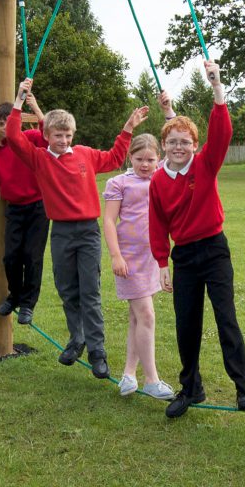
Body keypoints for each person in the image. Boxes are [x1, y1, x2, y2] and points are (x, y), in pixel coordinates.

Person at [6, 78, 149, 380]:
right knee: (68, 290)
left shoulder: (84, 154)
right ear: (46, 135)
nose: (64, 140)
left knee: (90, 292)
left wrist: (127, 128)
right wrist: (19, 100)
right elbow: (13, 136)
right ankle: (77, 339)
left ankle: (98, 351)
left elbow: (112, 158)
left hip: (87, 232)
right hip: (60, 232)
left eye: (68, 134)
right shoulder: (40, 159)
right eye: (58, 135)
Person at [149, 60, 245, 418]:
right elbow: (157, 223)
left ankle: (244, 388)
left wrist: (217, 89)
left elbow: (222, 132)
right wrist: (162, 263)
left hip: (214, 250)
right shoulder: (157, 182)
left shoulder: (204, 165)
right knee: (186, 323)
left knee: (226, 317)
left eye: (186, 142)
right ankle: (191, 388)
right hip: (185, 257)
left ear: (195, 146)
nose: (179, 147)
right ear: (164, 144)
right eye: (173, 141)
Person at [101, 92, 178, 400]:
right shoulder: (119, 183)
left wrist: (168, 110)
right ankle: (152, 379)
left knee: (137, 317)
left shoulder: (162, 177)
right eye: (139, 159)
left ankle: (129, 375)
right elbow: (109, 221)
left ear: (158, 159)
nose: (146, 165)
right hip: (128, 259)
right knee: (146, 315)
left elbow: (179, 141)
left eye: (151, 159)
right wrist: (116, 256)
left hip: (152, 258)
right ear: (130, 158)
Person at [0, 95, 49, 326]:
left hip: (38, 207)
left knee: (32, 256)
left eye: (8, 122)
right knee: (11, 257)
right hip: (15, 209)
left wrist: (35, 107)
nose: (3, 127)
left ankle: (28, 304)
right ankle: (15, 295)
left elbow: (48, 135)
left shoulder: (28, 138)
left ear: (16, 122)